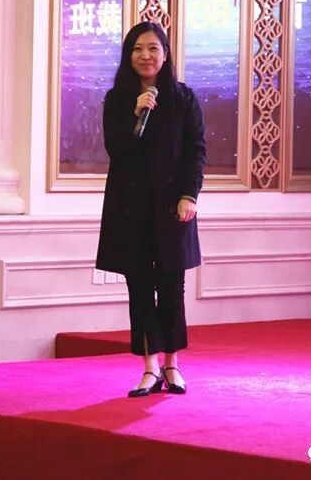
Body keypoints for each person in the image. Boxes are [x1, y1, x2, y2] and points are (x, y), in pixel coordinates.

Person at [96, 21, 206, 397]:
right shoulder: (118, 99)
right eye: (138, 49)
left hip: (173, 207)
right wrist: (135, 113)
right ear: (129, 56)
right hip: (131, 209)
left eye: (153, 48)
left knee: (172, 286)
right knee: (140, 288)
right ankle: (149, 368)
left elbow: (196, 150)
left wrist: (190, 195)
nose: (146, 55)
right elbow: (116, 148)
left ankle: (172, 364)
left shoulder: (183, 98)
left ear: (165, 54)